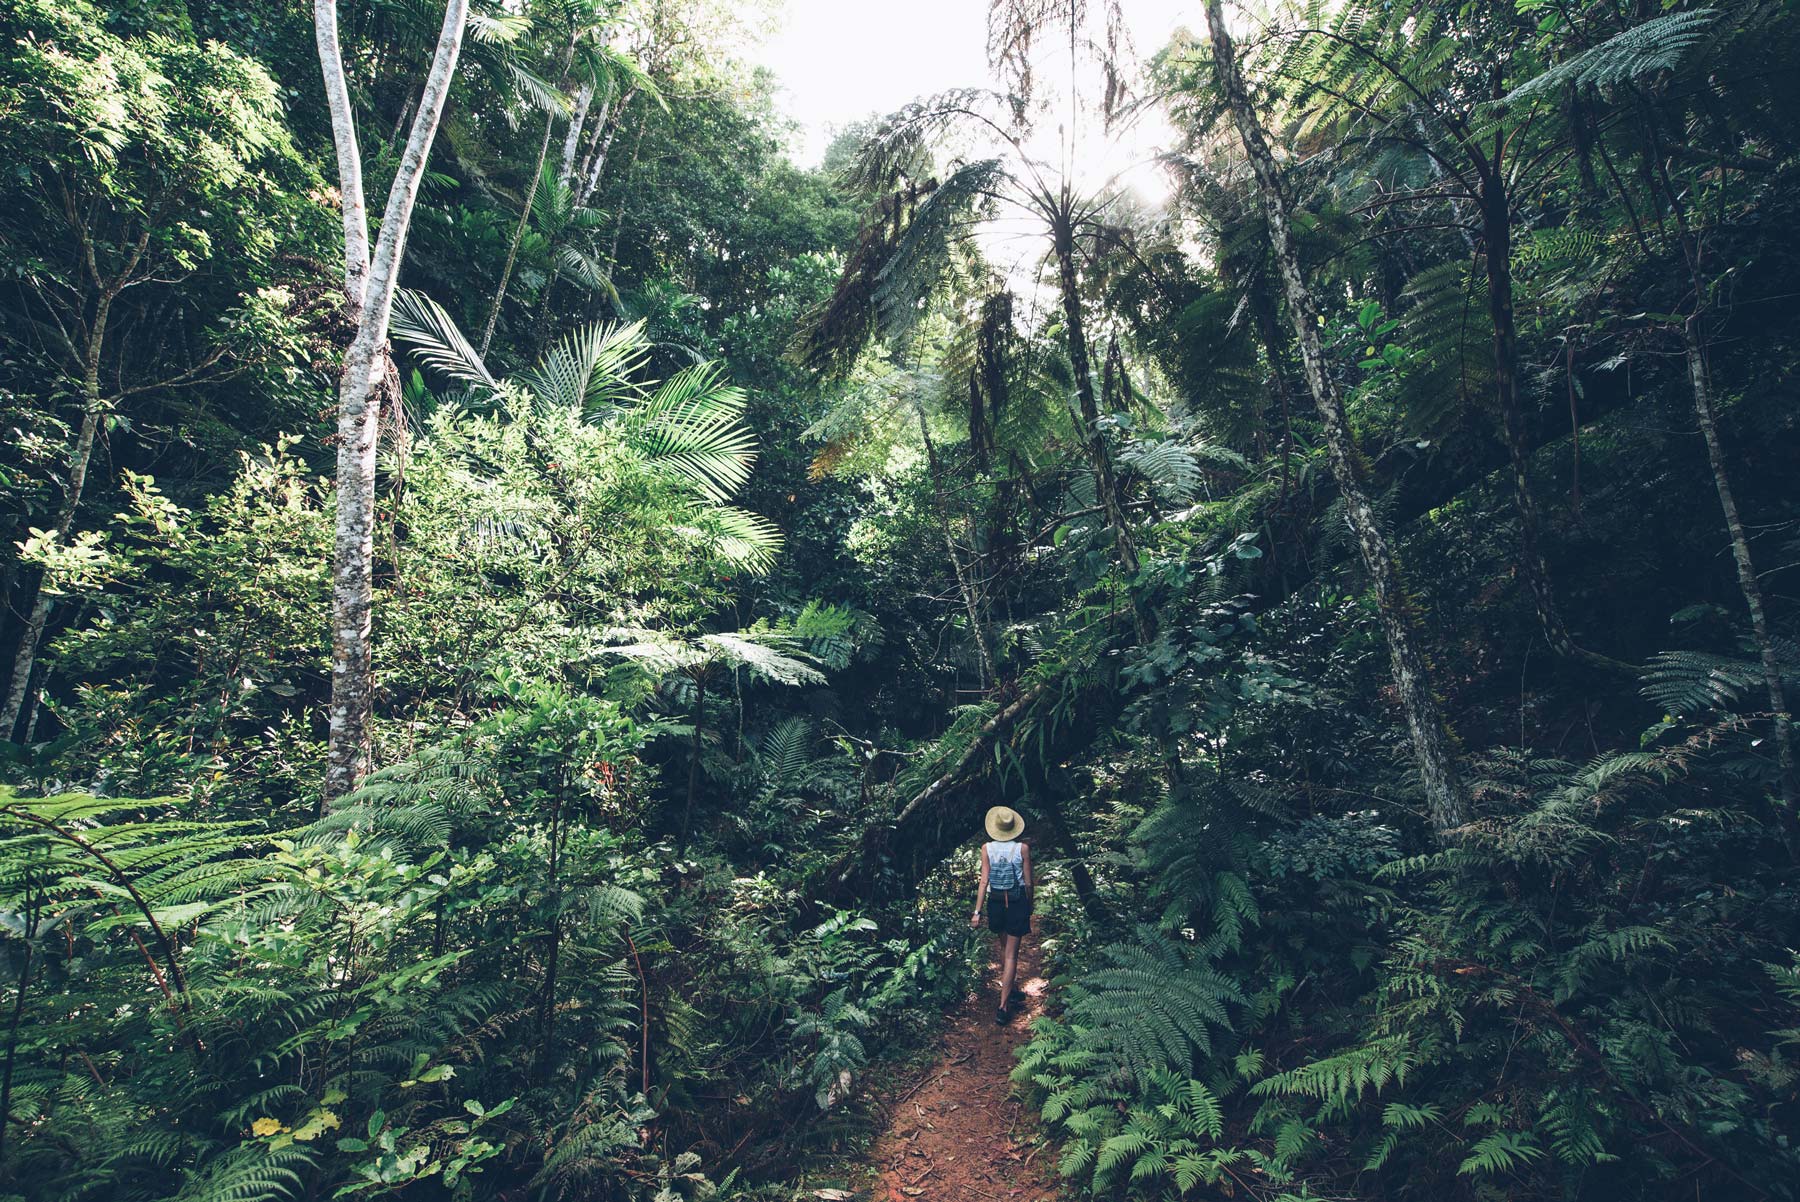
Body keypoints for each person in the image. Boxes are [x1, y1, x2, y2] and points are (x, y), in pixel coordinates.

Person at [970, 805, 1033, 1024]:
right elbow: (1028, 883)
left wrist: (977, 912)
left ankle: (1011, 989)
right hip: (1016, 903)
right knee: (1011, 955)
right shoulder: (1022, 849)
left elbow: (984, 881)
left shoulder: (986, 848)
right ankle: (1003, 1006)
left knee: (1004, 950)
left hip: (995, 903)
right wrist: (1030, 905)